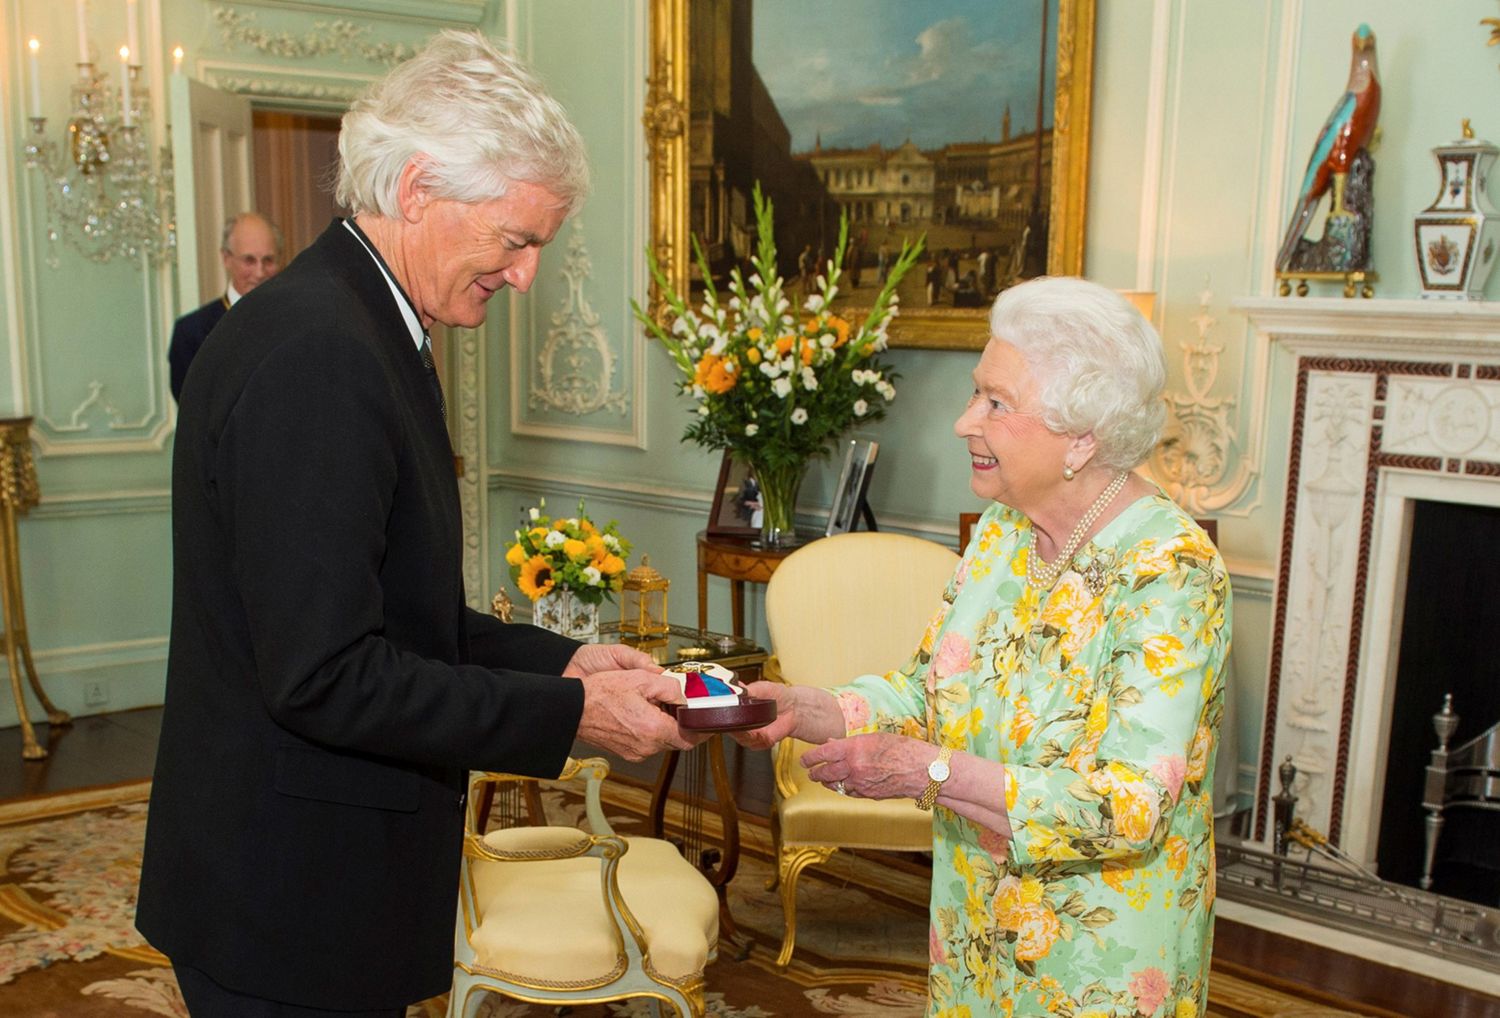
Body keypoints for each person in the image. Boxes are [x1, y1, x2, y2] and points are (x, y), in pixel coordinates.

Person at [136, 30, 694, 1018]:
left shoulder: (358, 322)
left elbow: (395, 612)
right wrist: (570, 716)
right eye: (515, 239)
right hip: (288, 900)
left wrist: (561, 664)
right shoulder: (321, 350)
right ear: (418, 187)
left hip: (307, 881)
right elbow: (326, 673)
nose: (524, 275)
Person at [738, 276, 1232, 1016]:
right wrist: (809, 708)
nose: (964, 421)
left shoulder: (1170, 570)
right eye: (977, 393)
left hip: (1100, 957)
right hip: (974, 922)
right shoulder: (1004, 530)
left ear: (1083, 435)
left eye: (996, 403)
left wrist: (930, 772)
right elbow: (929, 688)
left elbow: (1130, 806)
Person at [166, 212, 282, 401]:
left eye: (268, 261)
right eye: (249, 260)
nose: (260, 273)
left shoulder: (297, 322)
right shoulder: (191, 333)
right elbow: (193, 408)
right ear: (226, 258)